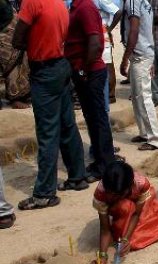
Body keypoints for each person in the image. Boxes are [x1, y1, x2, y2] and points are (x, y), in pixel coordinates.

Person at [13, 0, 89, 210]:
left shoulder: (31, 3)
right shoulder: (59, 3)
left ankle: (44, 193)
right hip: (60, 65)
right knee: (67, 125)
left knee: (47, 132)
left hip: (44, 70)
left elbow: (17, 40)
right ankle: (77, 176)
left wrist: (34, 41)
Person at [91, 161, 158, 264]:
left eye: (118, 195)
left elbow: (136, 214)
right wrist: (102, 255)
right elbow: (105, 229)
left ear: (129, 187)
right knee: (124, 207)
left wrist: (126, 239)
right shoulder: (101, 193)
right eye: (111, 194)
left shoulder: (141, 184)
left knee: (136, 238)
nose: (112, 196)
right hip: (121, 207)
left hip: (140, 201)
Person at [65, 0, 117, 183]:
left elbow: (95, 43)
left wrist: (83, 71)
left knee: (98, 119)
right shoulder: (76, 6)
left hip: (91, 72)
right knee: (93, 119)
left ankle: (106, 165)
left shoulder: (85, 7)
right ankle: (101, 161)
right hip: (86, 71)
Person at [121, 0, 158, 151]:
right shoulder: (144, 2)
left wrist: (124, 59)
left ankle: (156, 138)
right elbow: (148, 30)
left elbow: (134, 30)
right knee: (137, 96)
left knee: (144, 97)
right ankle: (145, 133)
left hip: (140, 55)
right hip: (144, 54)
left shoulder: (133, 2)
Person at [0, 1, 30, 109]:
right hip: (8, 31)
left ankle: (16, 97)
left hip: (9, 30)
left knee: (18, 57)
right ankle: (16, 97)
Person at [94, 0, 121, 104]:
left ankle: (110, 95)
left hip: (102, 32)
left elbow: (118, 12)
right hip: (98, 32)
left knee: (107, 63)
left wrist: (109, 29)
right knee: (104, 63)